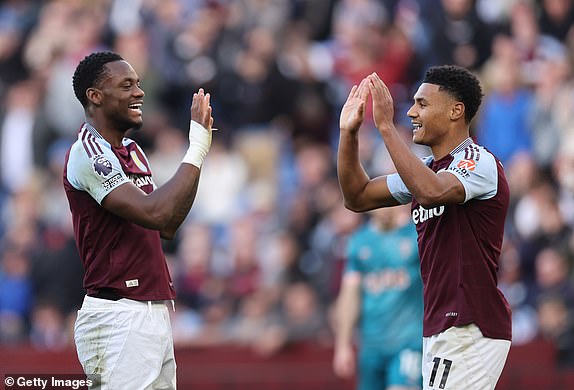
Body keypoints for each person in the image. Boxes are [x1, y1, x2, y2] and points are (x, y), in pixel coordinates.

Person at [337, 65, 512, 390]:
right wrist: (348, 135)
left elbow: (431, 192)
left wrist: (387, 127)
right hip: (440, 327)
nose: (412, 111)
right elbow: (357, 197)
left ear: (455, 111)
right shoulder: (426, 169)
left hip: (469, 325)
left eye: (422, 103)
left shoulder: (478, 161)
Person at [63, 51, 214, 389]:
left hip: (151, 311)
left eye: (139, 84)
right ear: (96, 96)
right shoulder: (87, 152)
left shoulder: (132, 150)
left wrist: (197, 152)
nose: (139, 92)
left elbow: (167, 225)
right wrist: (197, 148)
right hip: (118, 314)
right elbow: (156, 212)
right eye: (127, 85)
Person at [333, 205, 423, 390]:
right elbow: (350, 295)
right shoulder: (359, 242)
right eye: (378, 201)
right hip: (372, 345)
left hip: (409, 341)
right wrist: (342, 344)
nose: (384, 207)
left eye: (389, 200)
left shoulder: (416, 235)